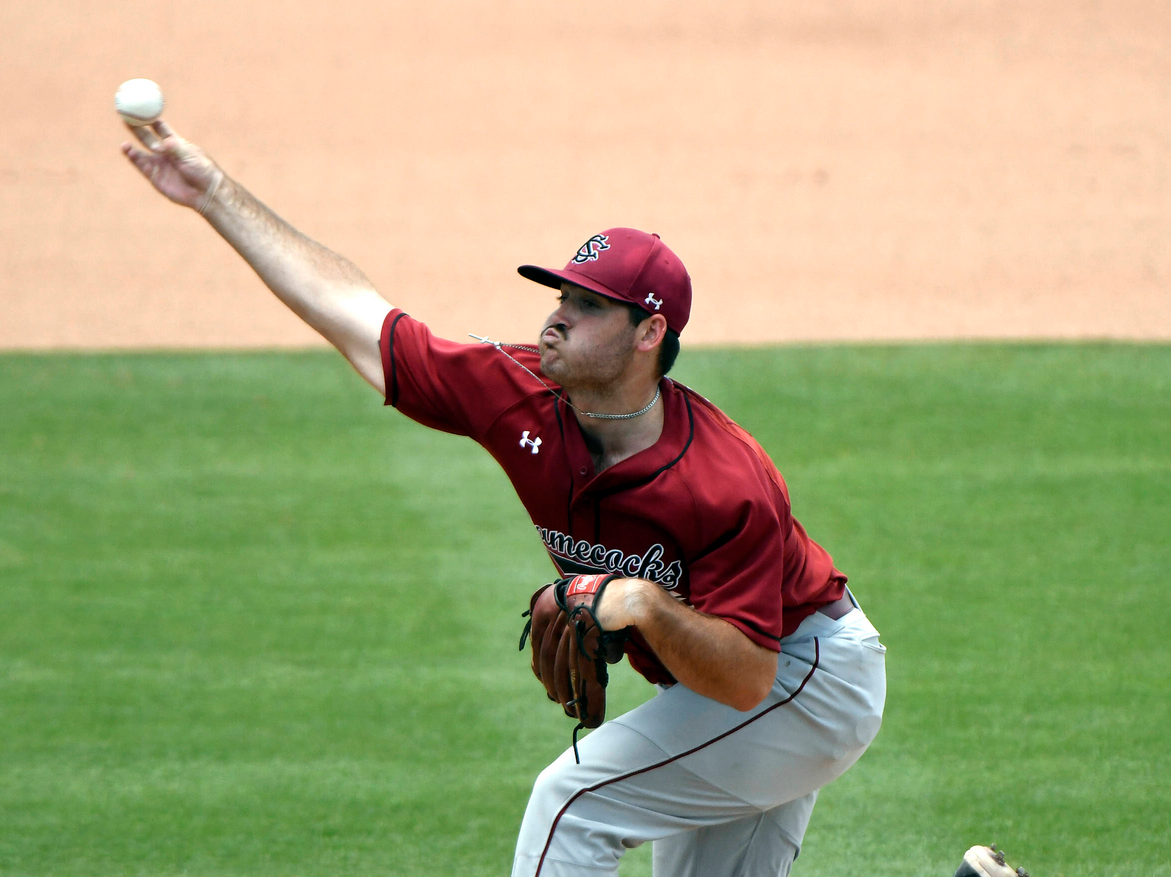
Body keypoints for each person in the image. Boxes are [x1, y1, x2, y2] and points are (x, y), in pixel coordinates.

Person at [122, 121, 888, 877]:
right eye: (560, 293)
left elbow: (749, 676)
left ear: (649, 330)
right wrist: (215, 194)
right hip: (742, 685)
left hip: (809, 676)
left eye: (588, 305)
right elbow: (358, 315)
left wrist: (648, 607)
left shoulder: (724, 478)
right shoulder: (515, 391)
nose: (557, 313)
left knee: (573, 802)